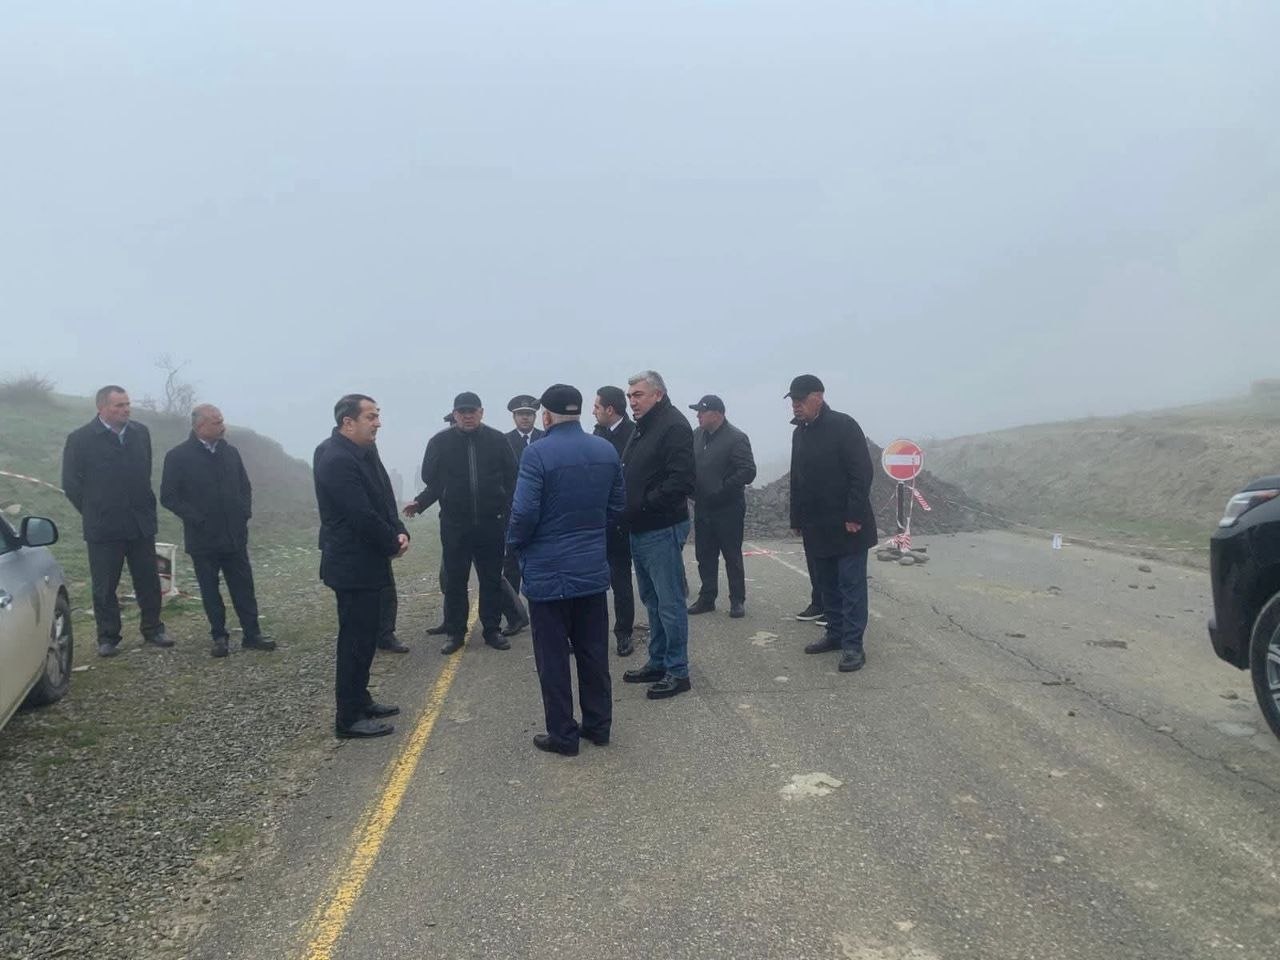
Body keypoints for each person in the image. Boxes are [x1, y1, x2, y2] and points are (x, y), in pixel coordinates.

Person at [508, 384, 624, 755]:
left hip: (548, 573)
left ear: (546, 416)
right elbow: (616, 505)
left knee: (553, 658)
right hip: (591, 570)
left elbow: (524, 512)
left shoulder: (537, 454)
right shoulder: (605, 450)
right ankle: (599, 726)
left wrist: (516, 543)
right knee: (593, 652)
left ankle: (563, 734)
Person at [313, 394, 408, 738]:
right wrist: (391, 543)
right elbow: (359, 513)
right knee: (354, 640)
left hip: (369, 560)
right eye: (370, 416)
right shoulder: (335, 458)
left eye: (377, 415)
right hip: (351, 564)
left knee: (366, 638)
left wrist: (399, 529)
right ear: (347, 422)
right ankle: (348, 718)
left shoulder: (365, 450)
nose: (377, 423)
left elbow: (383, 498)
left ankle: (361, 698)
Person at [62, 385, 171, 657]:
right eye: (119, 406)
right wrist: (94, 510)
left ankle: (153, 629)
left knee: (148, 580)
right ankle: (108, 637)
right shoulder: (80, 439)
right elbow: (71, 483)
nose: (126, 410)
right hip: (103, 527)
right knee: (105, 585)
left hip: (139, 523)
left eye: (127, 404)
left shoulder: (140, 433)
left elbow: (144, 472)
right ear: (102, 408)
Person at [160, 404, 275, 658]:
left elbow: (244, 486)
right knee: (210, 590)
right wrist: (197, 519)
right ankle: (219, 637)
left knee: (243, 586)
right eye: (216, 422)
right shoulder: (178, 456)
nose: (222, 427)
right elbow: (168, 496)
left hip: (234, 535)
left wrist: (243, 514)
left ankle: (252, 634)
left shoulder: (230, 452)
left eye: (222, 421)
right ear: (200, 426)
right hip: (203, 538)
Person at [406, 391, 517, 654]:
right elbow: (434, 482)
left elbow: (512, 478)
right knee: (456, 580)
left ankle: (492, 630)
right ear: (454, 414)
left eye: (472, 411)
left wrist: (507, 511)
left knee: (491, 579)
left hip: (491, 523)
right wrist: (420, 503)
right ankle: (456, 633)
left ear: (481, 412)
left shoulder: (497, 440)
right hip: (455, 525)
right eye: (462, 412)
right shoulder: (439, 442)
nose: (468, 416)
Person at [786, 374, 876, 673]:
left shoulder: (843, 426)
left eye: (801, 400)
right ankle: (835, 634)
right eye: (793, 400)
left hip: (847, 525)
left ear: (819, 397)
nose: (796, 405)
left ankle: (853, 646)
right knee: (826, 585)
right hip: (816, 525)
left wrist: (854, 515)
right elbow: (797, 478)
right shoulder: (799, 433)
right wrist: (797, 517)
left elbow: (861, 473)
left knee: (850, 586)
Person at [618, 370, 696, 699]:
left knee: (669, 602)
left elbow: (681, 481)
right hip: (640, 526)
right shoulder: (645, 426)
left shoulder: (673, 426)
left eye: (638, 395)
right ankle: (659, 660)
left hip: (661, 526)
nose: (632, 402)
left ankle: (677, 671)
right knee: (652, 600)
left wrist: (643, 505)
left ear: (658, 394)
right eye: (629, 396)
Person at [686, 394, 757, 619]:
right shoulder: (696, 436)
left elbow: (748, 471)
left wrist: (723, 488)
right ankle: (707, 598)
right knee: (704, 554)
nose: (698, 415)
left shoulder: (736, 438)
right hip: (703, 506)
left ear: (717, 414)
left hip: (728, 507)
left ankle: (737, 600)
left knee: (731, 554)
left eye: (702, 411)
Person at [591, 385, 637, 656]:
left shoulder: (634, 434)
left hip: (621, 520)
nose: (593, 412)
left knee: (621, 580)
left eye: (597, 407)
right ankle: (590, 634)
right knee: (592, 583)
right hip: (597, 519)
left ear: (610, 409)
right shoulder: (596, 435)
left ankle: (624, 633)